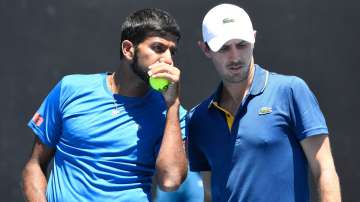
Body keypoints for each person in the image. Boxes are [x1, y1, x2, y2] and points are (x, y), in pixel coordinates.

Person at [22, 8, 188, 202]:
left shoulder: (173, 115)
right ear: (128, 49)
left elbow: (170, 181)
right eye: (158, 48)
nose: (168, 60)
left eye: (172, 51)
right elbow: (34, 166)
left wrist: (173, 104)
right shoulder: (70, 89)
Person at [186, 3, 341, 202]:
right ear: (205, 49)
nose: (235, 56)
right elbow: (209, 193)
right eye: (224, 48)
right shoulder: (197, 118)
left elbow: (324, 170)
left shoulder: (291, 90)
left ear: (254, 39)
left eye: (241, 44)